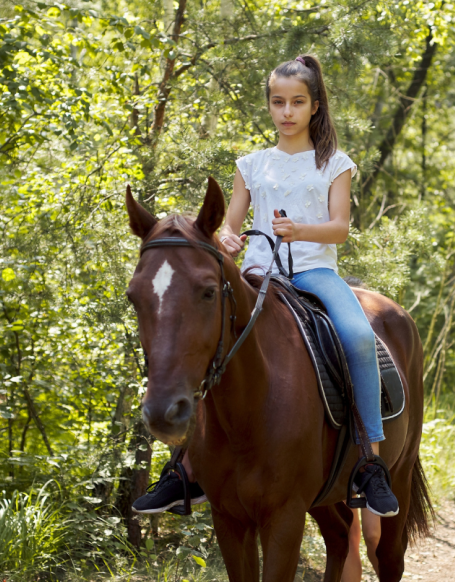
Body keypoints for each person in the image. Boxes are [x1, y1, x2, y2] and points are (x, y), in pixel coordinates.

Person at [133, 54, 399, 518]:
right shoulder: (251, 164)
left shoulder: (334, 163)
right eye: (279, 102)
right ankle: (184, 468)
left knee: (357, 337)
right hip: (258, 274)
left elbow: (339, 228)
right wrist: (229, 239)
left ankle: (368, 462)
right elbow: (229, 228)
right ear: (270, 106)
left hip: (315, 272)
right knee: (204, 341)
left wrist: (301, 231)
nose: (287, 112)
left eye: (298, 102)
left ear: (315, 106)